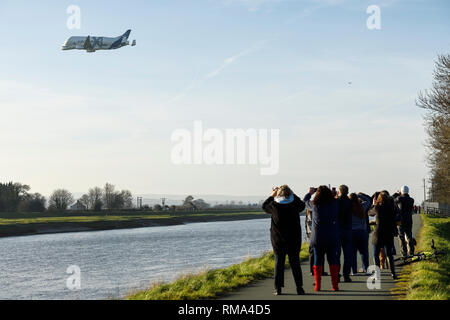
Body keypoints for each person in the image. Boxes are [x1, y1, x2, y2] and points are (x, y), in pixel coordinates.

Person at [262, 185, 306, 296]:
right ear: (290, 193)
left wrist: (272, 195)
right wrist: (293, 194)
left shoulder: (274, 205)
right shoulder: (295, 204)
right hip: (294, 239)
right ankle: (299, 288)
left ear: (278, 194)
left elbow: (264, 206)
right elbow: (302, 205)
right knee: (295, 263)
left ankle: (278, 288)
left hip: (278, 240)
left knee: (279, 263)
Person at [304, 186, 340, 292]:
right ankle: (335, 286)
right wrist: (334, 194)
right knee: (333, 261)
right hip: (332, 237)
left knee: (318, 261)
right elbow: (337, 200)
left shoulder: (314, 205)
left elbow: (305, 201)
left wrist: (310, 193)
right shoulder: (335, 204)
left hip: (318, 237)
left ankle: (318, 286)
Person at [368, 191, 398, 279]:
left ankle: (377, 274)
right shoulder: (391, 208)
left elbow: (369, 213)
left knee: (375, 254)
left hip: (378, 234)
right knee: (389, 254)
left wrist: (373, 204)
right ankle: (393, 273)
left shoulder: (377, 208)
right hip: (388, 234)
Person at [349, 193, 370, 274]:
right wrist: (359, 195)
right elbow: (368, 200)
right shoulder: (362, 207)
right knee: (364, 252)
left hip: (352, 232)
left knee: (353, 253)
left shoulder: (348, 209)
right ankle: (366, 269)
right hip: (362, 232)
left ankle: (354, 271)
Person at [336, 185, 353, 282]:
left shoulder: (337, 201)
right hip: (347, 229)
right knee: (347, 255)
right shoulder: (350, 202)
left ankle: (337, 275)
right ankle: (346, 275)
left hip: (338, 230)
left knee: (337, 255)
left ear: (339, 191)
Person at [394, 186, 415, 257]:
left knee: (401, 236)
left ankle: (404, 252)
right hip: (409, 220)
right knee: (409, 235)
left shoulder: (399, 198)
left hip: (400, 220)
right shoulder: (412, 200)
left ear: (401, 191)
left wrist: (397, 194)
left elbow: (391, 200)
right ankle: (411, 251)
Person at [305, 209, 328, 276]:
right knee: (321, 252)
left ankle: (312, 271)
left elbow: (307, 223)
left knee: (312, 252)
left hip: (310, 234)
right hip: (319, 233)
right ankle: (321, 271)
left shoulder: (309, 210)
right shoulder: (318, 209)